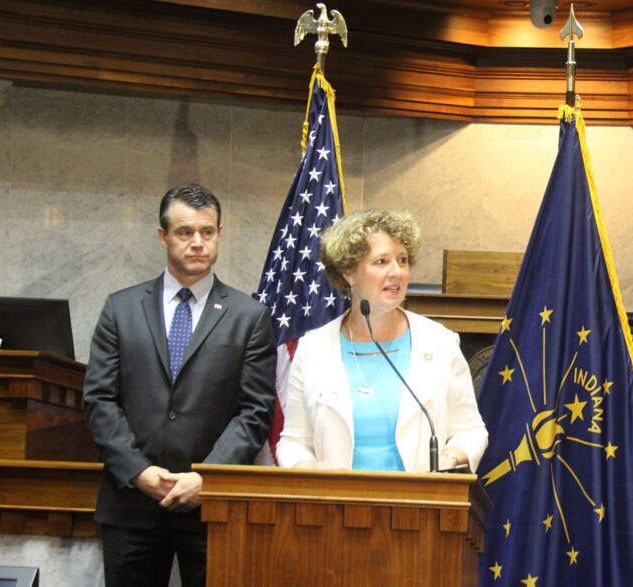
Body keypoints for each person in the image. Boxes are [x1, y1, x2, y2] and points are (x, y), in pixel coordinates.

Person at [83, 183, 277, 587]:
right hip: (131, 504)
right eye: (185, 232)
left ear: (219, 233)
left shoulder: (249, 316)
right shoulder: (121, 308)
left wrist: (208, 477)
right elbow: (100, 399)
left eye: (207, 232)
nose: (197, 242)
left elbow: (255, 411)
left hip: (212, 507)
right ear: (163, 236)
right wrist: (138, 471)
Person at [277, 209, 488, 472]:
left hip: (419, 494)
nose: (397, 272)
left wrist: (449, 459)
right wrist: (307, 469)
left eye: (403, 260)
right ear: (349, 272)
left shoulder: (439, 342)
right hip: (333, 496)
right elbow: (293, 441)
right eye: (381, 261)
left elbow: (470, 430)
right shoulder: (313, 348)